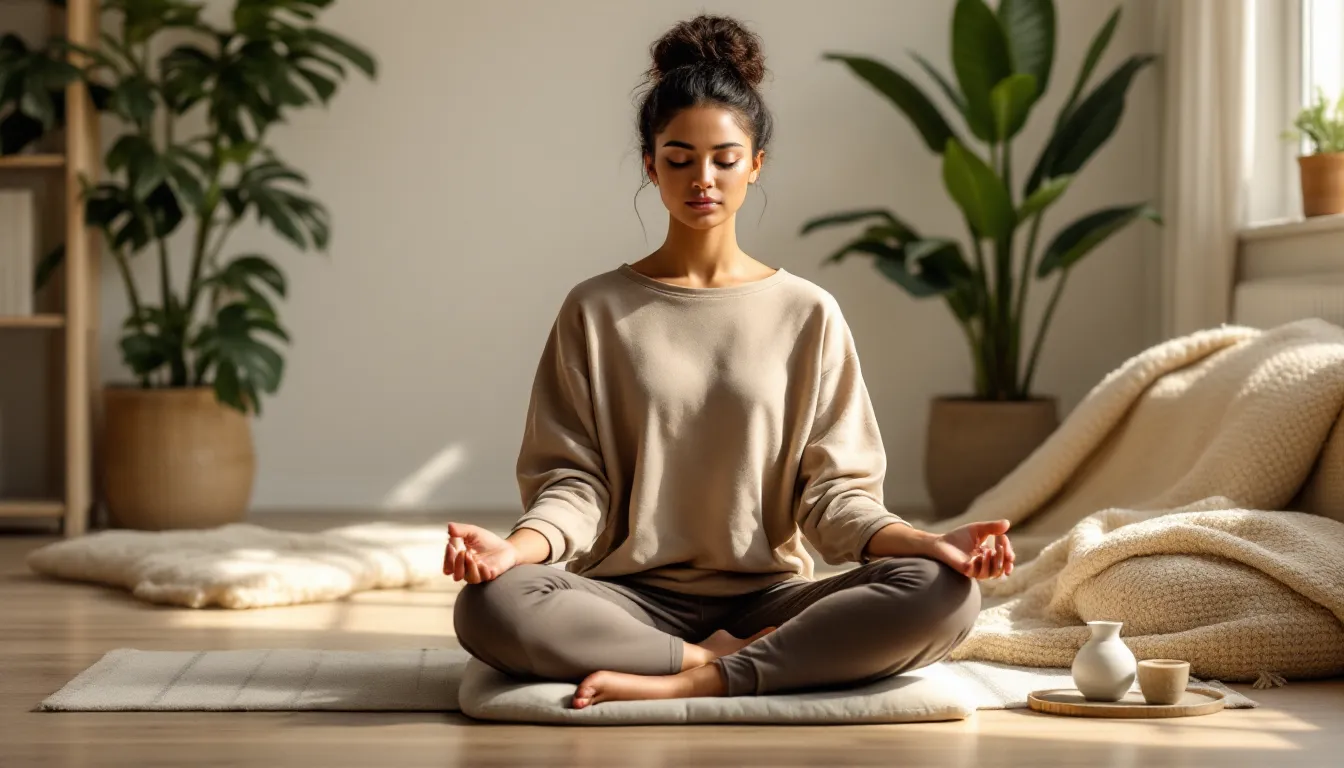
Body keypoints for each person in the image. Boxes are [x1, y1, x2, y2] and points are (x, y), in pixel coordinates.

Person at [444, 13, 1014, 710]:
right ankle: (709, 660)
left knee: (945, 592)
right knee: (490, 605)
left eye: (724, 158)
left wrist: (927, 542)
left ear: (756, 163)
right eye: (679, 159)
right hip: (625, 601)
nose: (702, 179)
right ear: (651, 165)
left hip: (773, 600)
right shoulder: (595, 309)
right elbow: (574, 485)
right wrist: (514, 551)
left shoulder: (809, 313)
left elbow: (834, 499)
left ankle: (701, 678)